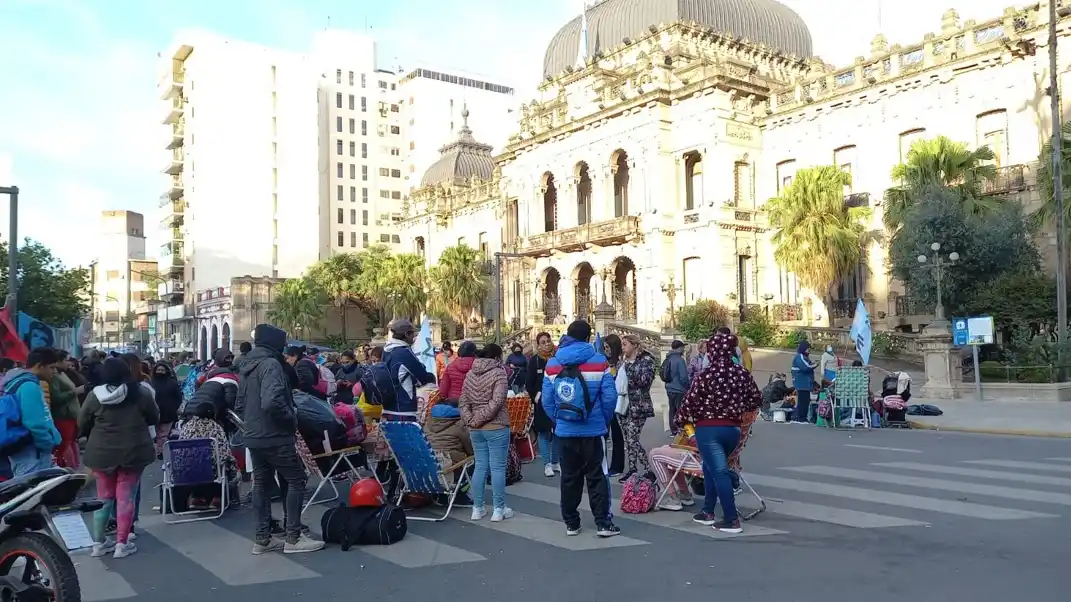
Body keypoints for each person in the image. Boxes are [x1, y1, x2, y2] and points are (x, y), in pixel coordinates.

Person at [236, 324, 323, 555]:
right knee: (296, 479)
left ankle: (262, 539)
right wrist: (291, 418)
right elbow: (272, 401)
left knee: (261, 485)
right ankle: (293, 537)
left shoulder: (246, 365)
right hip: (275, 434)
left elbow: (239, 404)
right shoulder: (271, 365)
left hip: (253, 435)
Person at [674, 332, 762, 534]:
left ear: (712, 352)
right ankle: (707, 511)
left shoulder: (706, 375)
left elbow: (688, 404)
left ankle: (731, 519)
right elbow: (756, 399)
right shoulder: (741, 374)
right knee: (710, 467)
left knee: (719, 471)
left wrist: (681, 420)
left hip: (709, 429)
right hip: (733, 429)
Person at [541, 320, 620, 538]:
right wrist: (602, 422)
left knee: (569, 477)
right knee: (596, 477)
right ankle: (603, 523)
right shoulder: (599, 361)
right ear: (588, 338)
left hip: (565, 432)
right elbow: (610, 398)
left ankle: (571, 523)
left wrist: (558, 421)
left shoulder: (553, 364)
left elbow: (547, 401)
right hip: (593, 431)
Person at [79, 357, 159, 558]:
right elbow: (154, 417)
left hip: (101, 453)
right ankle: (122, 544)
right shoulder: (140, 393)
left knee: (103, 498)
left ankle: (98, 543)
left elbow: (82, 422)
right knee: (126, 497)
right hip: (133, 451)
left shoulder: (94, 396)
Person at [459, 343, 513, 522]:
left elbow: (463, 402)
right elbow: (497, 401)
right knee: (497, 467)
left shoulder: (470, 374)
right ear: (497, 358)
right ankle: (498, 509)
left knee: (480, 466)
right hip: (496, 425)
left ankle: (478, 508)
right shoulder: (499, 373)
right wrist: (482, 417)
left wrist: (471, 419)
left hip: (475, 428)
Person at [3, 347, 62, 476]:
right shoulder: (29, 386)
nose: (54, 371)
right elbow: (35, 423)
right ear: (40, 366)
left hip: (24, 448)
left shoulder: (16, 382)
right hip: (33, 452)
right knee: (33, 490)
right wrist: (47, 444)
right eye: (51, 367)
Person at [424, 399, 475, 507]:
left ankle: (442, 495)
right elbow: (471, 449)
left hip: (429, 465)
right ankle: (460, 493)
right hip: (449, 466)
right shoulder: (459, 425)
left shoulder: (427, 424)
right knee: (474, 460)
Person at [619, 334, 655, 481]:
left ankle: (648, 469)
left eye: (625, 344)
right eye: (622, 344)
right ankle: (632, 469)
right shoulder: (623, 361)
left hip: (639, 405)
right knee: (628, 439)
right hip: (624, 404)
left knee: (633, 439)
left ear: (634, 345)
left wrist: (628, 367)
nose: (623, 347)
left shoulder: (647, 360)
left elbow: (644, 381)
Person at [383, 319, 435, 415]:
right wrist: (432, 377)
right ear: (407, 334)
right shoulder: (405, 353)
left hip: (386, 407)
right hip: (404, 408)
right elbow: (422, 378)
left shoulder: (386, 351)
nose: (414, 337)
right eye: (413, 334)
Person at [526, 332, 559, 477]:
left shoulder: (558, 358)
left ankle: (556, 461)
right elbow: (529, 382)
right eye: (543, 342)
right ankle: (547, 464)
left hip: (558, 400)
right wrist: (536, 396)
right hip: (542, 401)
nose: (546, 344)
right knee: (544, 433)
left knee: (559, 432)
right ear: (538, 344)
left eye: (548, 340)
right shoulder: (535, 360)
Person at [49, 353, 83, 468]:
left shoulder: (63, 374)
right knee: (66, 443)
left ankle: (75, 468)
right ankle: (71, 469)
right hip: (63, 415)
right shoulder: (54, 377)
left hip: (71, 413)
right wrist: (74, 392)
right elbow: (56, 397)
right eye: (65, 360)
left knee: (71, 441)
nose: (68, 363)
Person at [602, 334, 626, 477]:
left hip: (617, 404)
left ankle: (617, 466)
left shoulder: (621, 363)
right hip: (605, 403)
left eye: (608, 347)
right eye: (604, 348)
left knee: (617, 436)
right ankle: (602, 464)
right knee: (603, 436)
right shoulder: (603, 362)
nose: (606, 350)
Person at [151, 361, 182, 455]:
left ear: (166, 371)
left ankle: (161, 451)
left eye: (162, 370)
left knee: (163, 434)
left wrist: (174, 407)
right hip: (153, 412)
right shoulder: (151, 383)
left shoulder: (172, 383)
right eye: (158, 370)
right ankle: (159, 450)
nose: (160, 371)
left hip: (168, 413)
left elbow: (178, 397)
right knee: (156, 434)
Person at [660, 340, 690, 436]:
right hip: (679, 389)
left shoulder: (668, 358)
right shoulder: (680, 360)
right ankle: (680, 430)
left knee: (672, 409)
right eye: (683, 347)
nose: (684, 349)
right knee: (680, 410)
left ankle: (673, 430)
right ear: (679, 348)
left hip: (669, 388)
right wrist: (688, 387)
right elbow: (684, 377)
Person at [438, 341, 477, 405]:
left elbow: (443, 388)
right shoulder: (479, 367)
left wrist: (443, 398)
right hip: (472, 402)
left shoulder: (450, 367)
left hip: (453, 402)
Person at [791, 341, 817, 424]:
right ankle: (801, 417)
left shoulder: (804, 357)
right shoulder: (800, 356)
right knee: (803, 401)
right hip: (802, 383)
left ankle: (803, 417)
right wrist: (815, 365)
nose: (809, 350)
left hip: (805, 383)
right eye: (808, 348)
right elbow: (805, 367)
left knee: (805, 400)